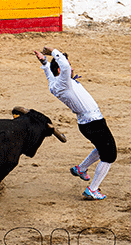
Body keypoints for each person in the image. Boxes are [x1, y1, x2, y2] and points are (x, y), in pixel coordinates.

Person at [34, 47, 117, 200]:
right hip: (94, 123)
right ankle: (92, 189)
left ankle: (81, 168)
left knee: (102, 148)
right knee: (110, 155)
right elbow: (64, 66)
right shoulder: (63, 82)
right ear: (60, 70)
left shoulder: (55, 85)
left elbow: (49, 75)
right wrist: (52, 51)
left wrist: (44, 62)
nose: (71, 68)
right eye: (68, 65)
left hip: (88, 123)